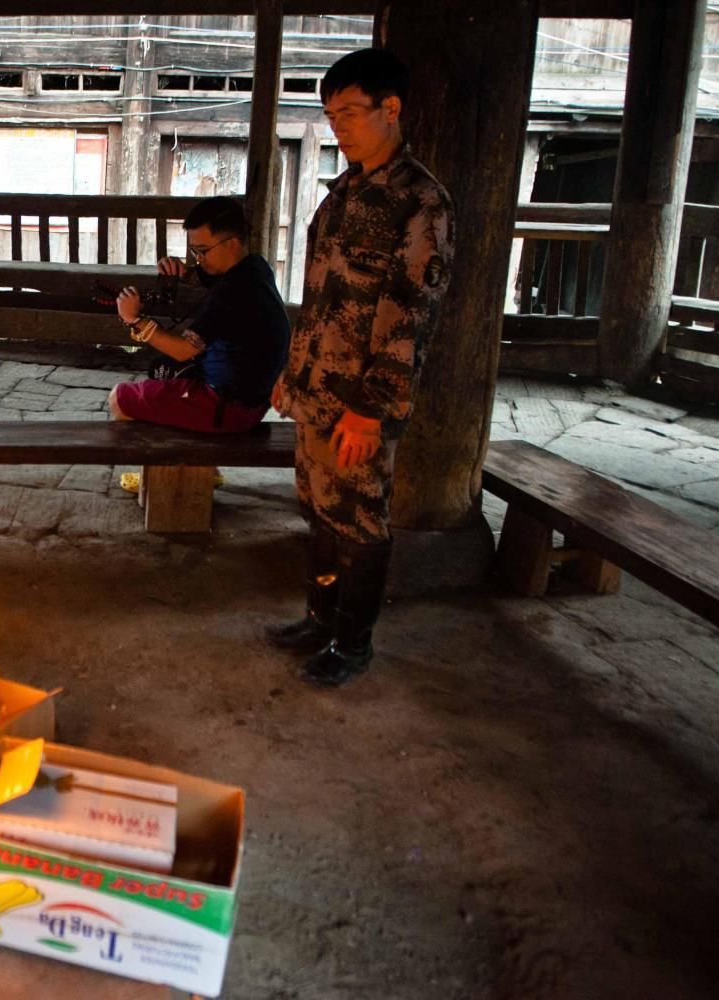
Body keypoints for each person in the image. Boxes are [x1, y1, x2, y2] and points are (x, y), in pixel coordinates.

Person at [268, 48, 455, 688]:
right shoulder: (343, 193)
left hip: (361, 401)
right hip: (317, 388)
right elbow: (319, 296)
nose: (338, 126)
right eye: (330, 114)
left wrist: (370, 410)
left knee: (359, 519)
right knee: (318, 510)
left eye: (349, 112)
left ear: (391, 109)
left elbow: (410, 315)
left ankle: (353, 642)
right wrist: (293, 373)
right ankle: (319, 618)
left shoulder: (420, 203)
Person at [107, 196, 290, 434]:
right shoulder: (255, 268)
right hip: (251, 404)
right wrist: (182, 272)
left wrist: (135, 319)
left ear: (231, 243)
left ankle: (173, 461)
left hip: (225, 408)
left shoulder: (232, 292)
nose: (198, 259)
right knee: (160, 372)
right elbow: (207, 277)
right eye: (194, 252)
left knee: (119, 398)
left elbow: (183, 350)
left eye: (203, 251)